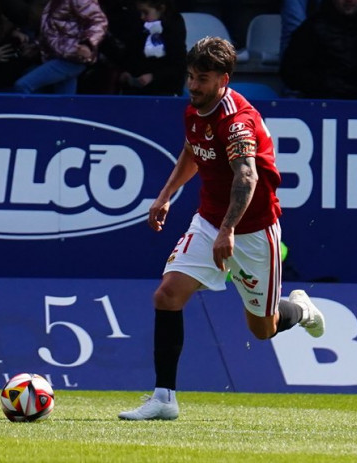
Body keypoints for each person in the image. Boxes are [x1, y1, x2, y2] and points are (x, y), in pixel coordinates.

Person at [118, 37, 325, 421]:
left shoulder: (236, 123)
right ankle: (164, 399)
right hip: (209, 220)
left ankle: (299, 308)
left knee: (262, 330)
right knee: (167, 295)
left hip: (253, 232)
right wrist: (165, 195)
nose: (193, 85)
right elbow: (193, 149)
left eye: (203, 78)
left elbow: (246, 177)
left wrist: (228, 231)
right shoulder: (195, 110)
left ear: (224, 79)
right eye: (191, 76)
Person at [280, 0, 357, 99]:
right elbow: (290, 73)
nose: (349, 0)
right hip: (323, 103)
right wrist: (325, 83)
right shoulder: (311, 29)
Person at [13, 0, 108, 94]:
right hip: (60, 56)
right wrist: (37, 45)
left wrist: (87, 44)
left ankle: (24, 109)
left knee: (23, 86)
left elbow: (99, 21)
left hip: (72, 56)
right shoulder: (53, 2)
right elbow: (53, 30)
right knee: (64, 101)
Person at [117, 0, 186, 96]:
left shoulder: (174, 25)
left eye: (145, 12)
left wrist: (153, 76)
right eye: (140, 12)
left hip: (165, 89)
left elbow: (178, 65)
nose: (142, 17)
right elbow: (131, 53)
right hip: (137, 89)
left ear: (161, 9)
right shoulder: (139, 24)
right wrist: (127, 72)